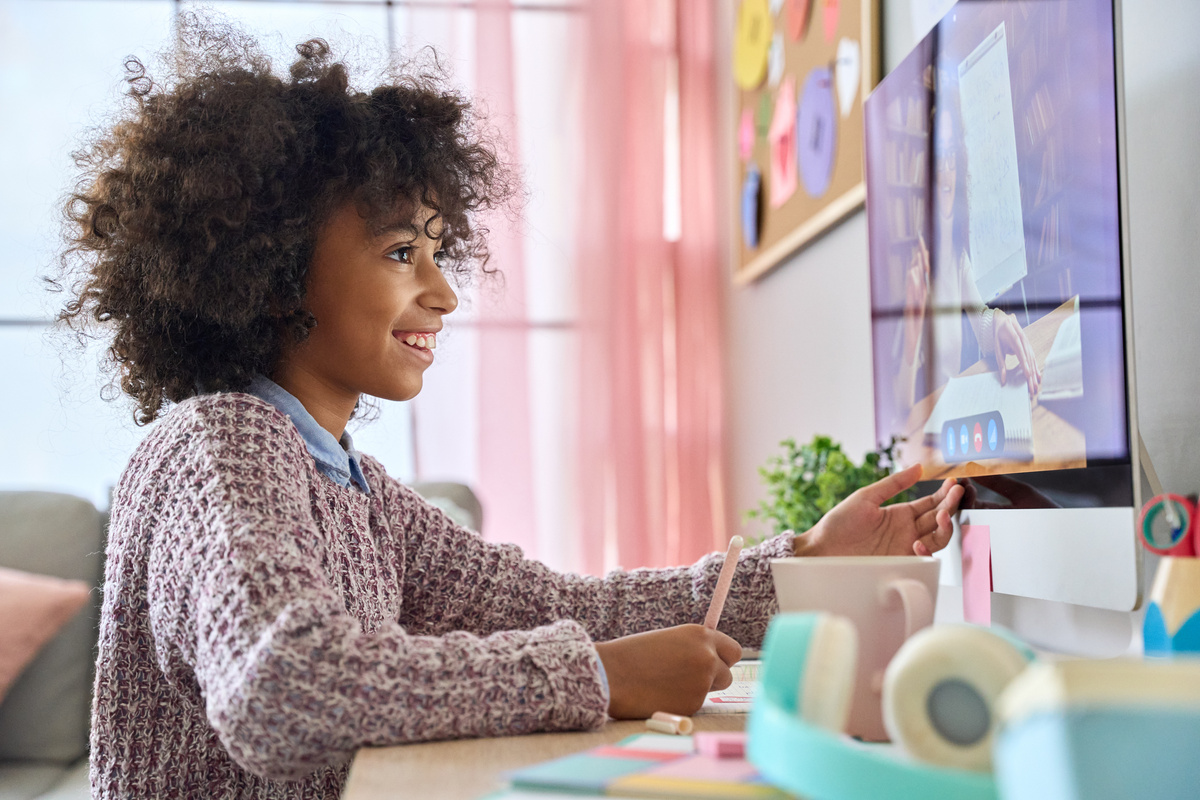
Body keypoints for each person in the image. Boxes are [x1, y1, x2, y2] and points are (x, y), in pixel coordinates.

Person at [58, 23, 964, 799]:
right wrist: (596, 676)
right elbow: (283, 686)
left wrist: (805, 563)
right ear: (270, 265)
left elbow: (556, 603)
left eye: (439, 249)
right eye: (402, 250)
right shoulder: (219, 446)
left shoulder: (349, 482)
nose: (445, 292)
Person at [894, 97, 1042, 427]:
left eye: (951, 155)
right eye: (938, 157)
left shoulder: (956, 254)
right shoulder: (914, 262)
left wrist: (1000, 321)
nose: (946, 169)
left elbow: (981, 320)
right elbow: (899, 405)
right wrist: (909, 337)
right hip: (922, 428)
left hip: (950, 411)